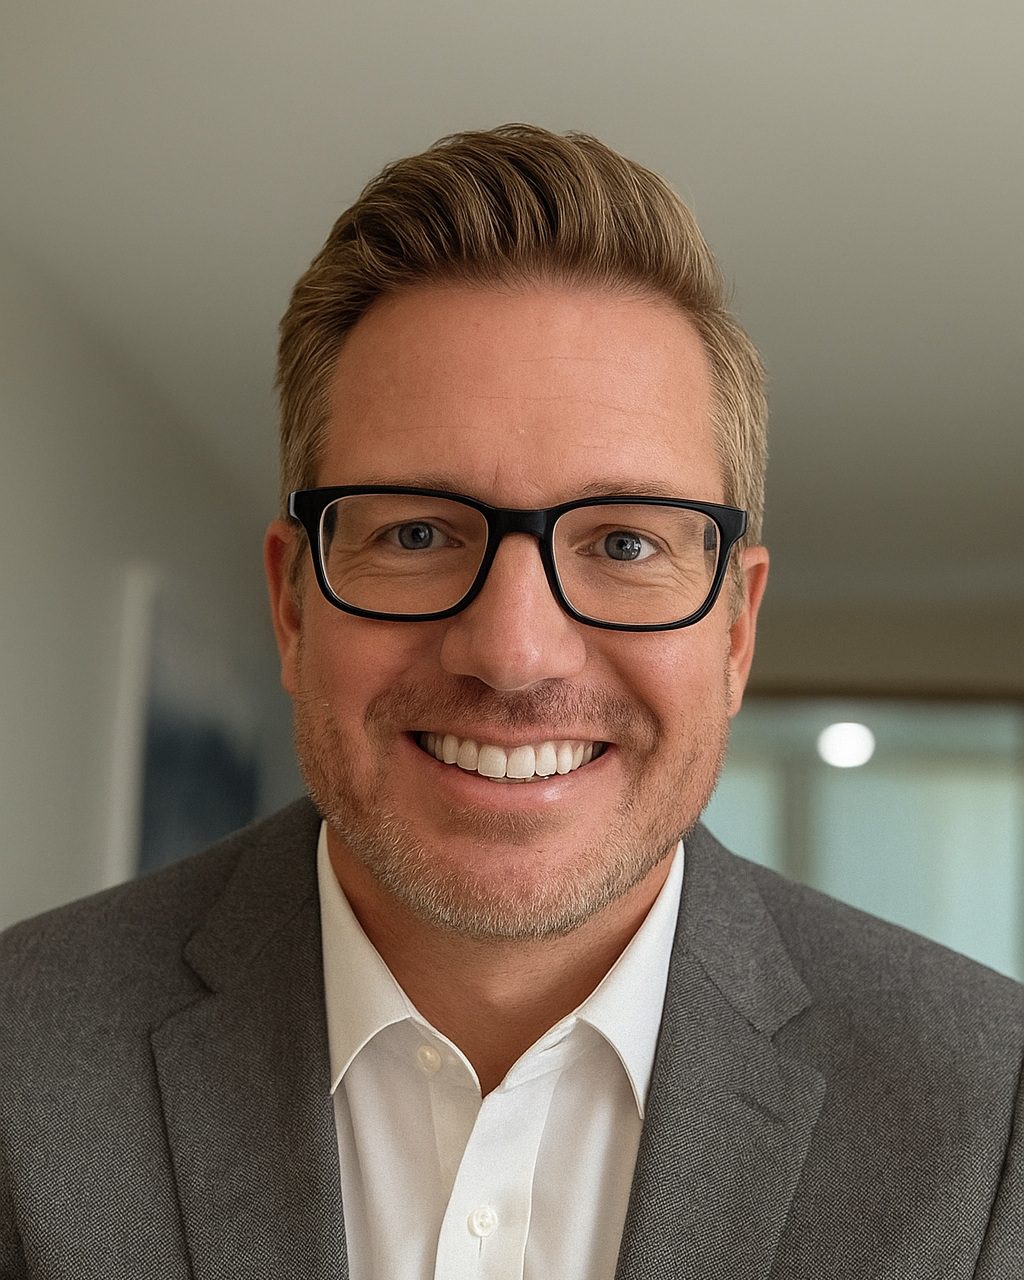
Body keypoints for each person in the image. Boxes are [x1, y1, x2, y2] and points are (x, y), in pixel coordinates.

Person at [0, 124, 1021, 1280]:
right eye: (419, 532)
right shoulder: (19, 1062)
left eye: (624, 540)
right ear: (292, 605)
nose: (515, 653)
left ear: (734, 630)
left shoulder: (990, 1116)